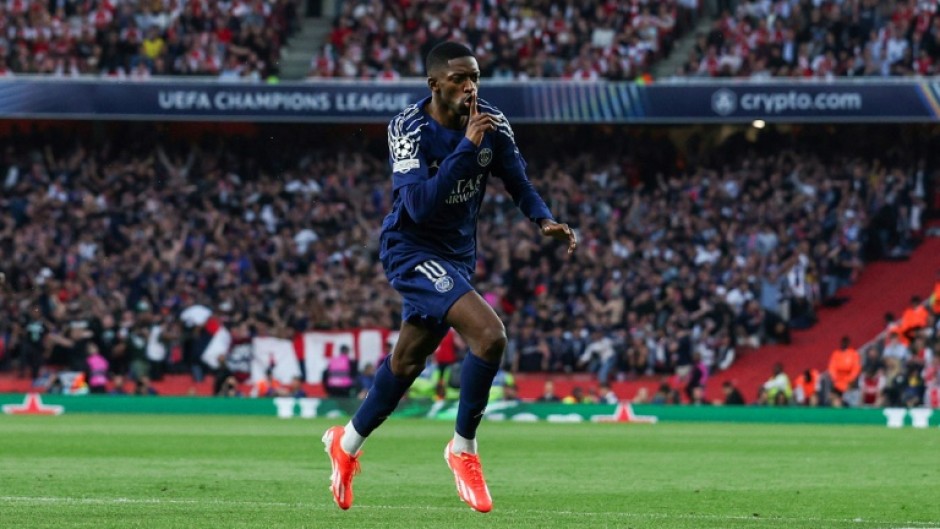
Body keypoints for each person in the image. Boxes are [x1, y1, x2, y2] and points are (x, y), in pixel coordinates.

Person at [322, 41, 577, 513]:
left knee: (406, 364)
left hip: (457, 256)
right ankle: (463, 448)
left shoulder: (492, 122)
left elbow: (517, 179)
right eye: (459, 79)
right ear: (434, 84)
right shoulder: (408, 128)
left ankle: (346, 442)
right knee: (489, 335)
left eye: (475, 77)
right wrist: (466, 149)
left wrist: (543, 219)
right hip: (409, 248)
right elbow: (418, 205)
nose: (470, 87)